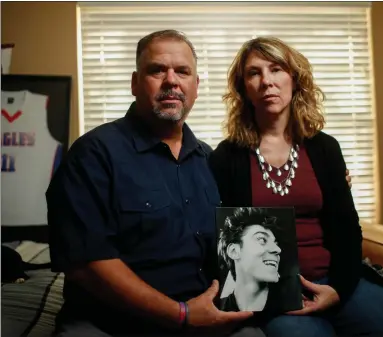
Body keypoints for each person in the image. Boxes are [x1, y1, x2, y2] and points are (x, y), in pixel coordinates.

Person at [46, 30, 264, 337]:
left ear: (196, 87)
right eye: (157, 70)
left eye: (183, 72)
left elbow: (241, 241)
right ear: (135, 83)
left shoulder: (210, 159)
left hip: (207, 317)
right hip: (111, 324)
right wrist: (182, 315)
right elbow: (86, 264)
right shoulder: (93, 154)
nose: (171, 80)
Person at [208, 36, 383, 337]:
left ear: (294, 79)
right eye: (254, 73)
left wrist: (337, 289)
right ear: (243, 89)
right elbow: (227, 243)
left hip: (336, 279)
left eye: (276, 69)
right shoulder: (227, 156)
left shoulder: (324, 148)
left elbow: (347, 229)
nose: (266, 81)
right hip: (272, 289)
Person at [218, 207, 282, 312]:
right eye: (262, 240)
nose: (277, 249)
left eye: (276, 243)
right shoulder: (219, 309)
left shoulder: (289, 302)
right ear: (234, 251)